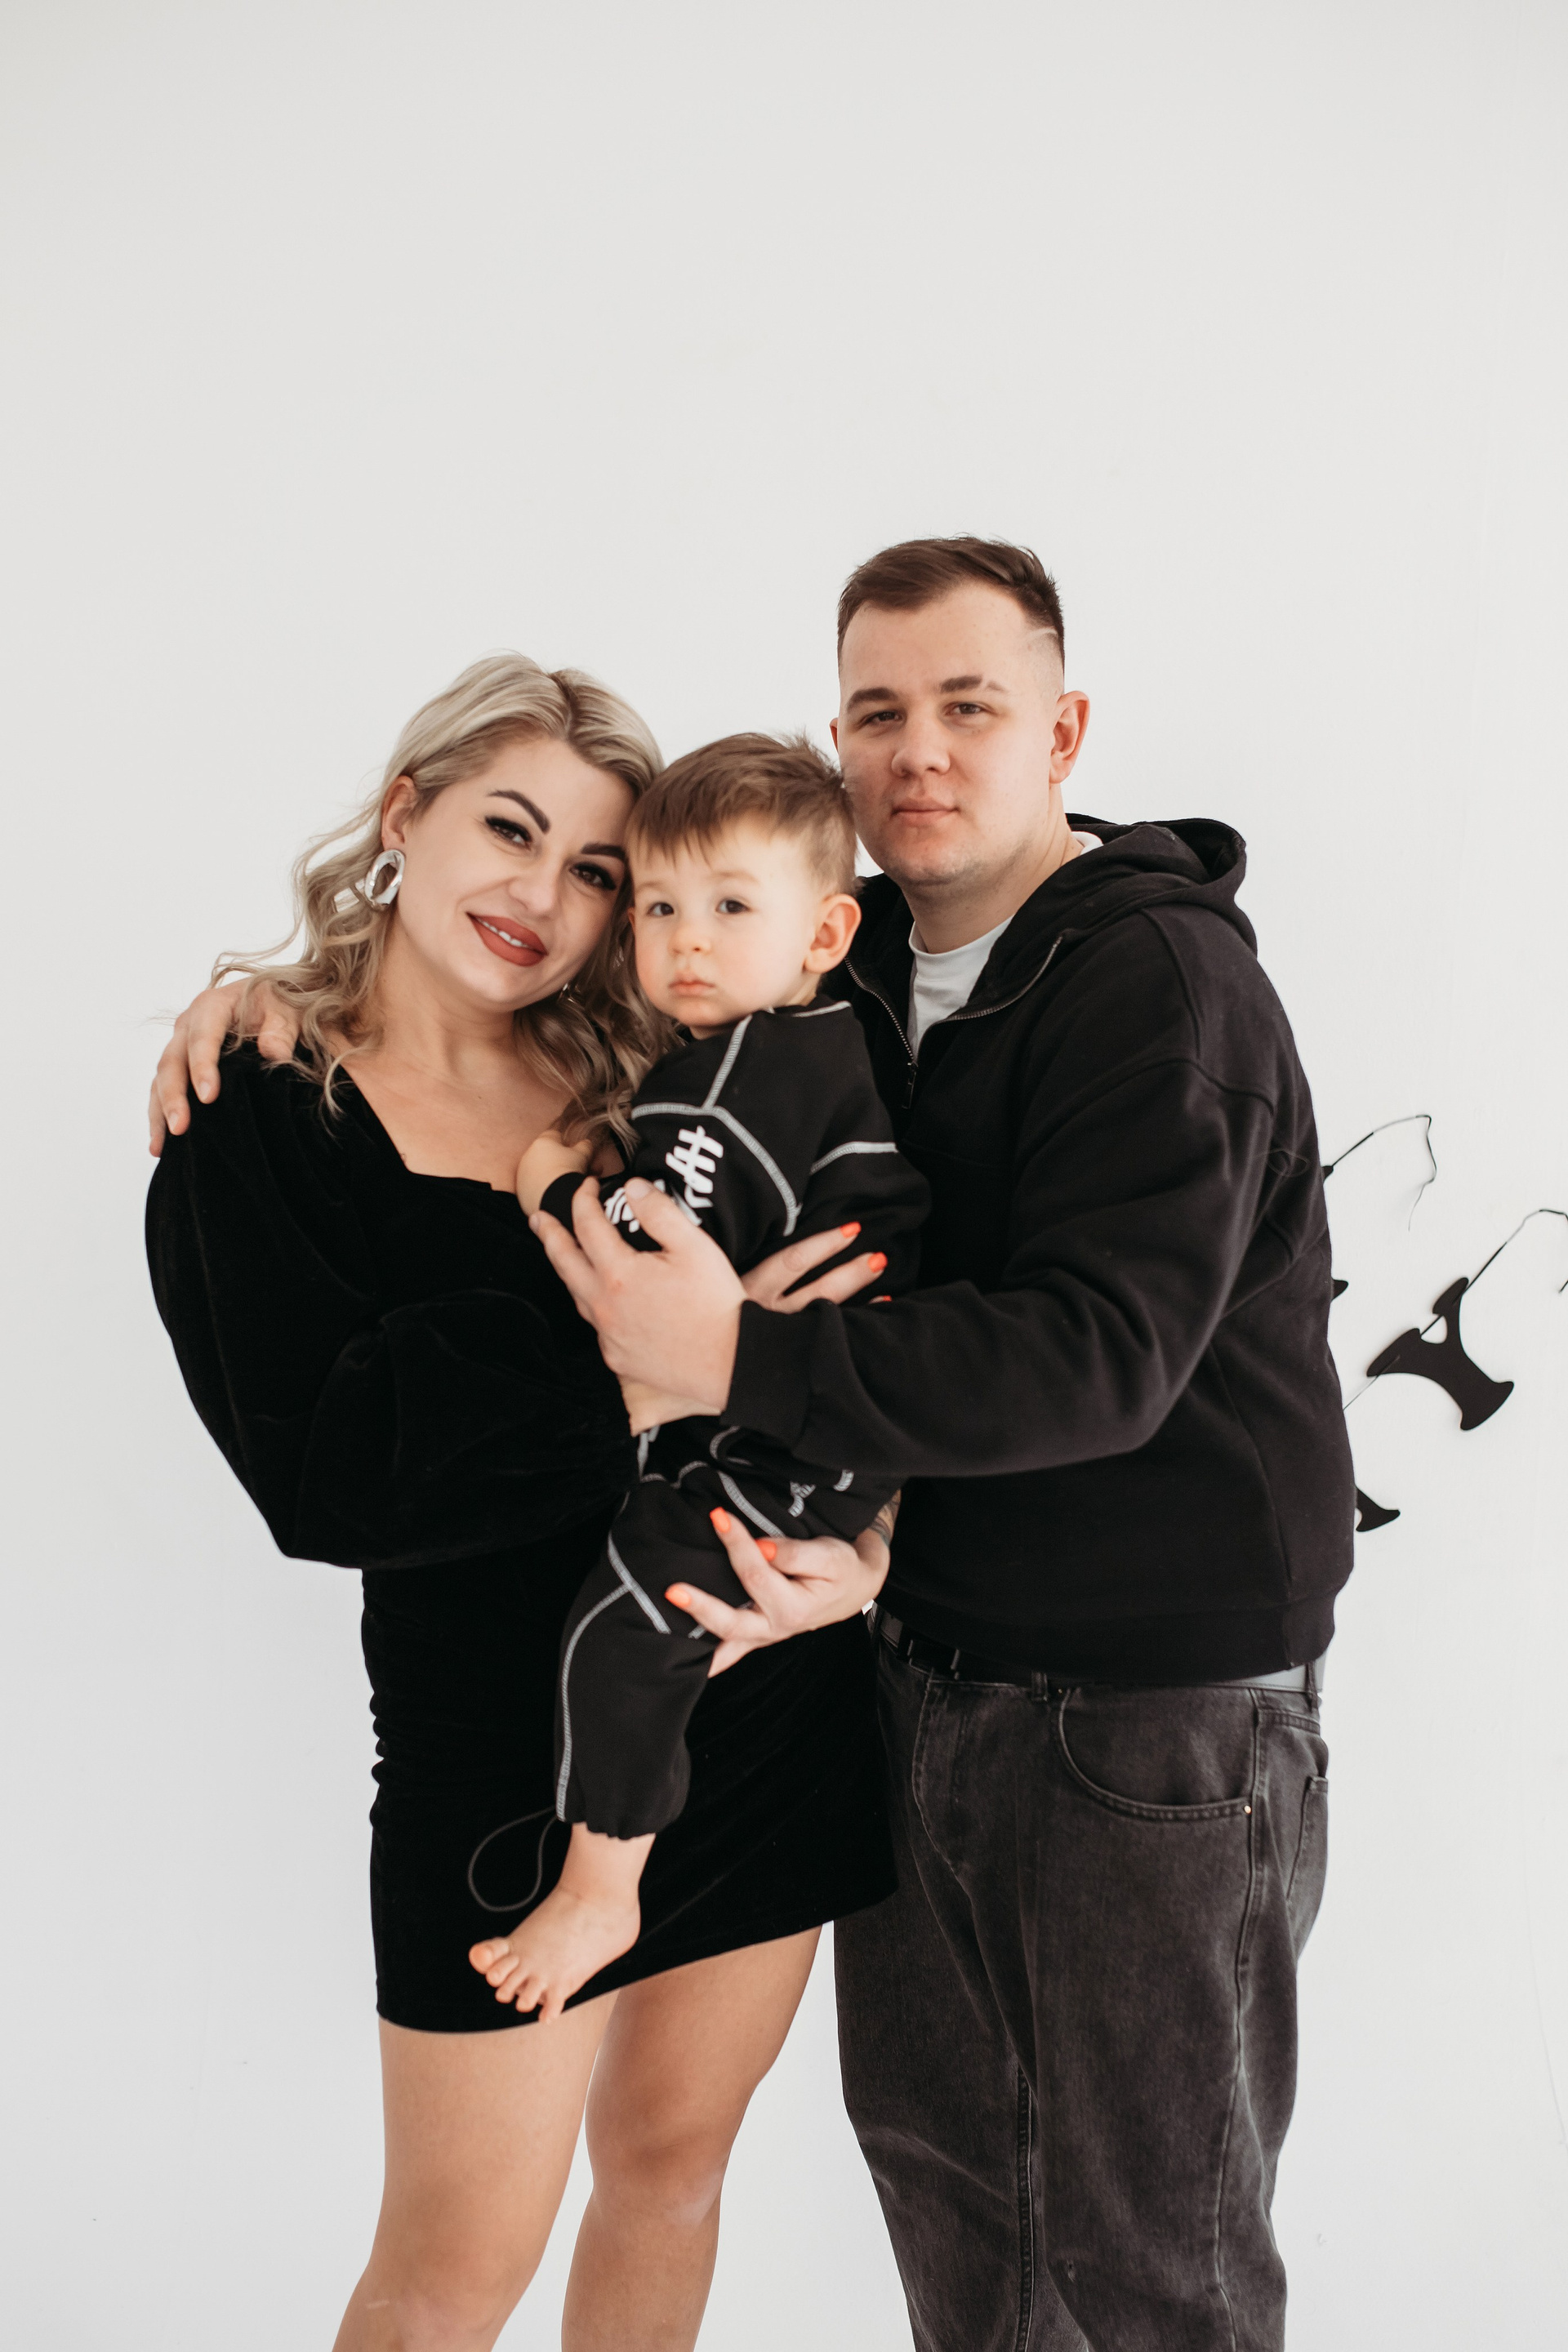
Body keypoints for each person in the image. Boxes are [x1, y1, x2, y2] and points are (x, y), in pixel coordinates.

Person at [530, 537, 1356, 2352]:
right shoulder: (848, 964)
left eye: (970, 707)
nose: (919, 749)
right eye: (878, 711)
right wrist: (290, 993)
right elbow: (601, 999)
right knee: (957, 2219)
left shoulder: (1158, 987)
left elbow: (1104, 1359)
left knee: (1149, 2272)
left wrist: (733, 1355)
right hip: (920, 1674)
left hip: (1151, 1722)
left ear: (1061, 732)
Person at [144, 653, 893, 2352]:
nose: (543, 899)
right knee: (445, 2284)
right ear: (403, 814)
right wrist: (655, 1372)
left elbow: (865, 1292)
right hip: (498, 1757)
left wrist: (864, 1557)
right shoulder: (259, 1110)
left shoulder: (664, 1078)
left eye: (601, 873)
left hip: (754, 1692)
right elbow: (325, 1474)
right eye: (509, 829)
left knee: (672, 2174)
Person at [472, 733, 928, 2023]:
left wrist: (553, 1184)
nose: (687, 943)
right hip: (829, 1429)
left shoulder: (729, 1087)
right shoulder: (813, 1048)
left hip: (793, 1447)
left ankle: (599, 1886)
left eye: (731, 907)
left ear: (825, 931)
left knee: (630, 1618)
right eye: (660, 908)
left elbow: (648, 1268)